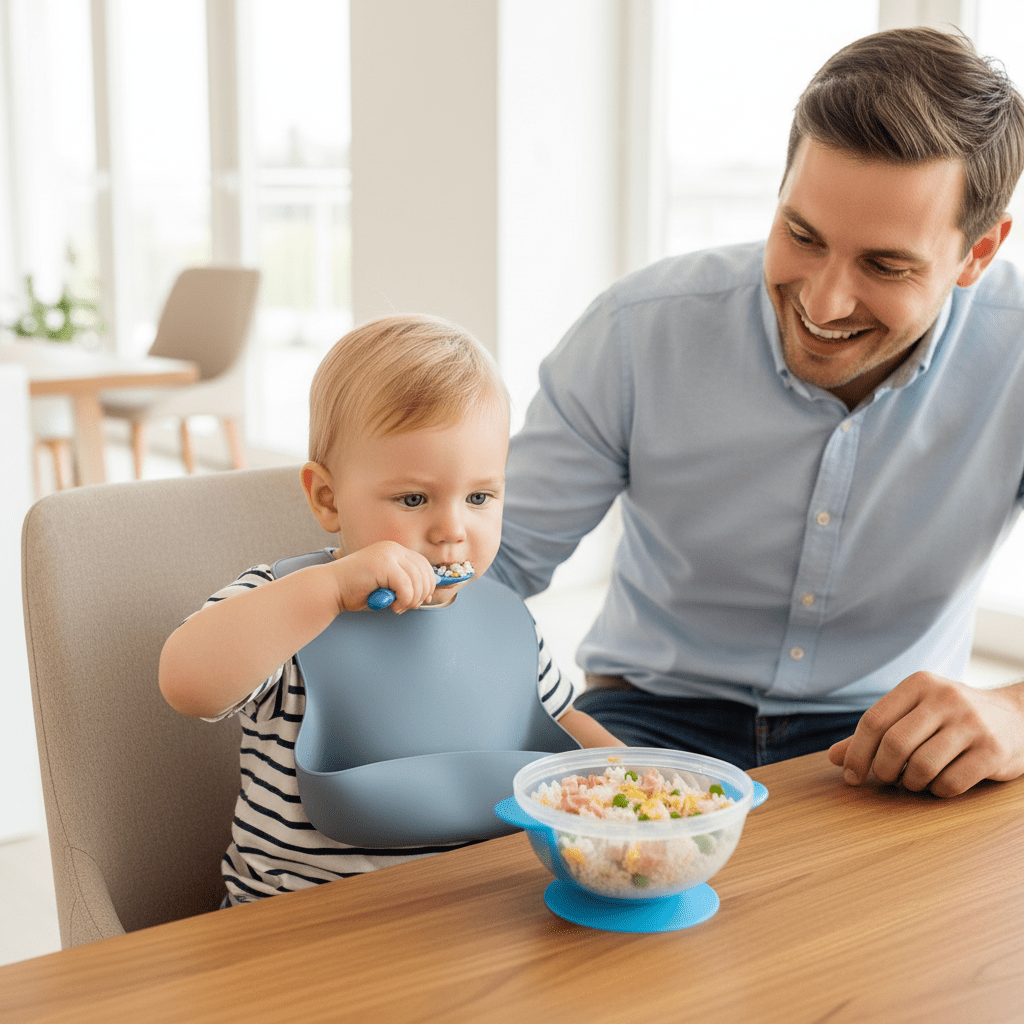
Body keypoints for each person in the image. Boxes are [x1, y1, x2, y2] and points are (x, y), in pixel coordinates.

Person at [488, 27, 1024, 798]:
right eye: (801, 235)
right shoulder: (639, 330)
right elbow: (491, 566)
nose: (823, 300)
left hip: (885, 738)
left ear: (978, 253)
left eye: (884, 264)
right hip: (646, 719)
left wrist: (1012, 713)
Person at [159, 313, 622, 905]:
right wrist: (325, 592)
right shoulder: (289, 608)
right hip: (297, 932)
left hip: (472, 922)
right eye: (413, 498)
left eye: (480, 496)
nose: (452, 530)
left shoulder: (506, 619)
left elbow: (561, 724)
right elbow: (187, 682)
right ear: (327, 498)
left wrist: (634, 781)